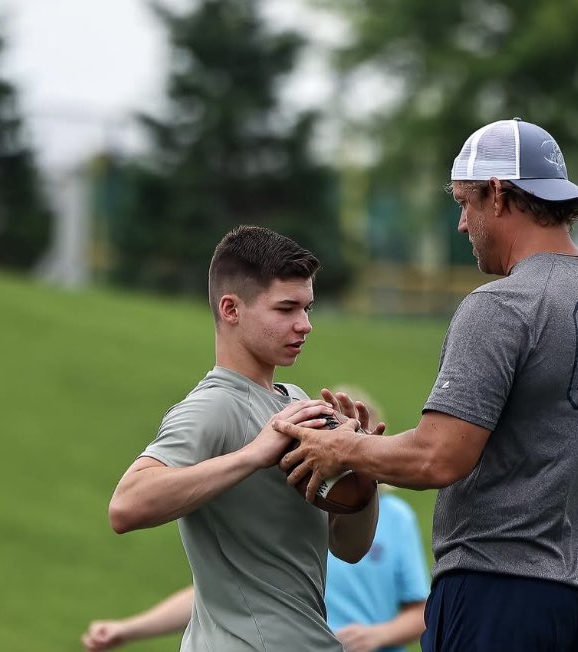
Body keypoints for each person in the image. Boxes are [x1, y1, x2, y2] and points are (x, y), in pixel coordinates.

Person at [276, 118, 578, 651]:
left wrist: (340, 448)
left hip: (496, 595)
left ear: (497, 194)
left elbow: (438, 457)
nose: (461, 224)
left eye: (464, 203)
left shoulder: (502, 305)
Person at [107, 225, 379, 652]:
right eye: (286, 309)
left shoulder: (296, 402)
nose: (305, 325)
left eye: (307, 308)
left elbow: (350, 547)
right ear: (231, 309)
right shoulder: (213, 405)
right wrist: (253, 454)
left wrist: (363, 468)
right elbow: (126, 506)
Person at [84, 391, 429, 652]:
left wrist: (377, 636)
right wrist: (129, 629)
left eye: (351, 439)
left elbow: (356, 554)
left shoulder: (394, 518)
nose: (304, 326)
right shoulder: (216, 410)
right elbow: (220, 590)